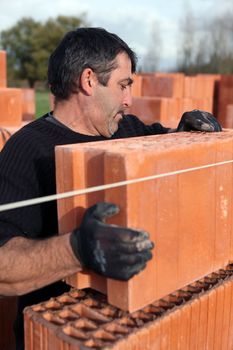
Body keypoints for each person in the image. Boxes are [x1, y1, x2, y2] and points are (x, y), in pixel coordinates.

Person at [0, 27, 221, 350]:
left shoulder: (128, 129)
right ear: (89, 80)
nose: (129, 100)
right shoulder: (27, 150)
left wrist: (186, 132)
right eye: (123, 85)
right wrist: (77, 249)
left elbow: (167, 148)